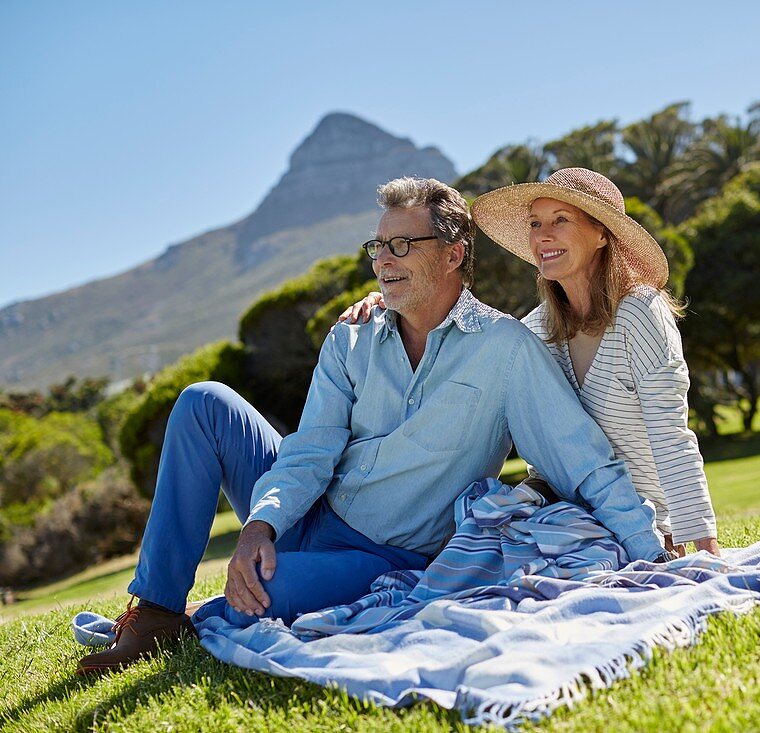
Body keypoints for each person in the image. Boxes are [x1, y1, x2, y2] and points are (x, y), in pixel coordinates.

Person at [76, 177, 666, 675]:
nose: (383, 260)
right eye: (377, 246)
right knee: (205, 402)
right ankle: (154, 610)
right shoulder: (351, 335)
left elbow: (584, 461)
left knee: (259, 599)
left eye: (403, 244)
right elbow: (310, 450)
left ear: (453, 253)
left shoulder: (506, 351)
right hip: (307, 513)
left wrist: (652, 558)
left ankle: (239, 592)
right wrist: (260, 523)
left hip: (385, 556)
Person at [341, 168, 718, 556]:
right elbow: (459, 324)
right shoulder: (533, 330)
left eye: (561, 220)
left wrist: (703, 541)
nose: (542, 235)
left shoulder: (640, 312)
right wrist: (390, 303)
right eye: (535, 223)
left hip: (639, 522)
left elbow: (671, 435)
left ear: (603, 233)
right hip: (557, 512)